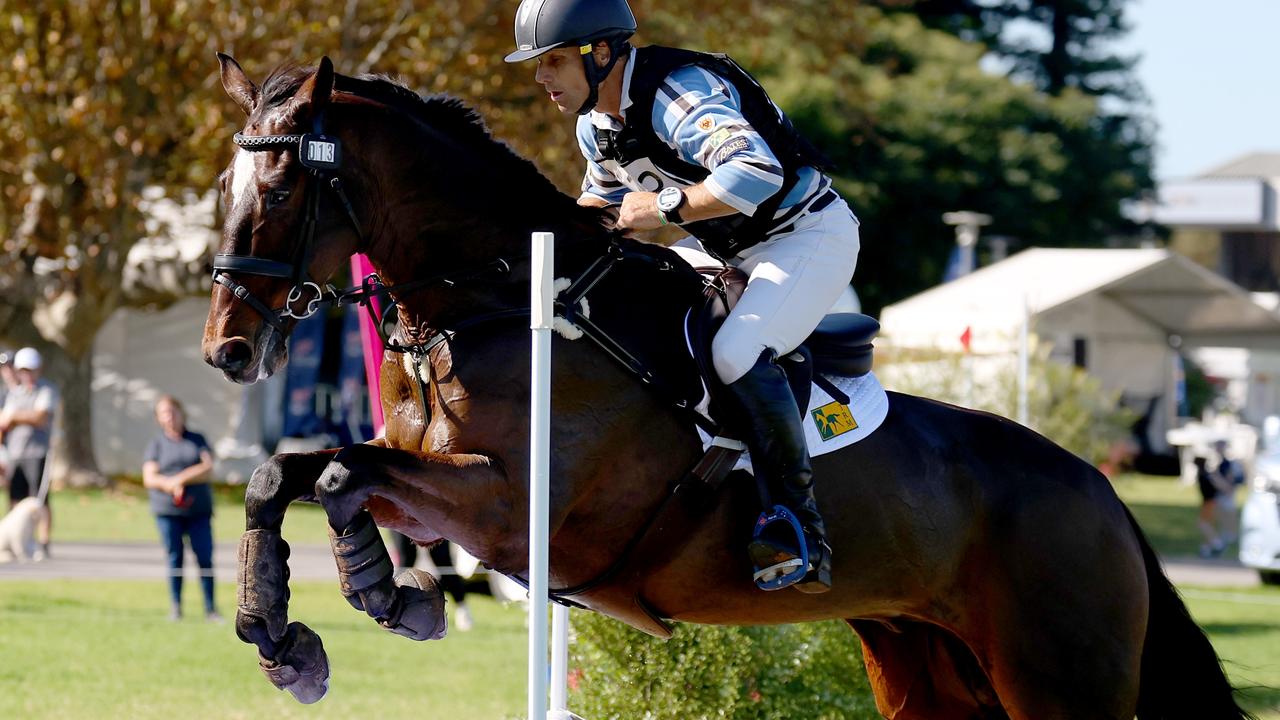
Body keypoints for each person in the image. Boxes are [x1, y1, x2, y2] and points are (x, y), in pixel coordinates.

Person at [504, 0, 860, 593]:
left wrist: (662, 208)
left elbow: (756, 172)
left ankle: (799, 526)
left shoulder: (678, 94)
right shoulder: (596, 126)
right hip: (730, 254)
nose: (541, 78)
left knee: (735, 353)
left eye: (554, 62)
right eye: (539, 65)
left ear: (600, 55)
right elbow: (600, 209)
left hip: (806, 236)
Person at [142, 395, 220, 621]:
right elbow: (149, 477)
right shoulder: (156, 445)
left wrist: (180, 479)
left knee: (204, 558)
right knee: (174, 558)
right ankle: (176, 607)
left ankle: (210, 609)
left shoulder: (197, 440)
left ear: (181, 412)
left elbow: (207, 467)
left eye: (172, 411)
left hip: (199, 512)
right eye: (163, 413)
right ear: (158, 419)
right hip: (168, 512)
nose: (169, 417)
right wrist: (169, 484)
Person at [0, 347, 58, 561]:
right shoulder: (14, 394)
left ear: (38, 369)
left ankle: (43, 542)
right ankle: (22, 540)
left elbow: (40, 417)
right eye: (23, 370)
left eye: (31, 370)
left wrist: (15, 417)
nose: (27, 374)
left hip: (38, 452)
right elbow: (3, 421)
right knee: (16, 499)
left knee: (39, 501)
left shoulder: (46, 390)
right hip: (16, 452)